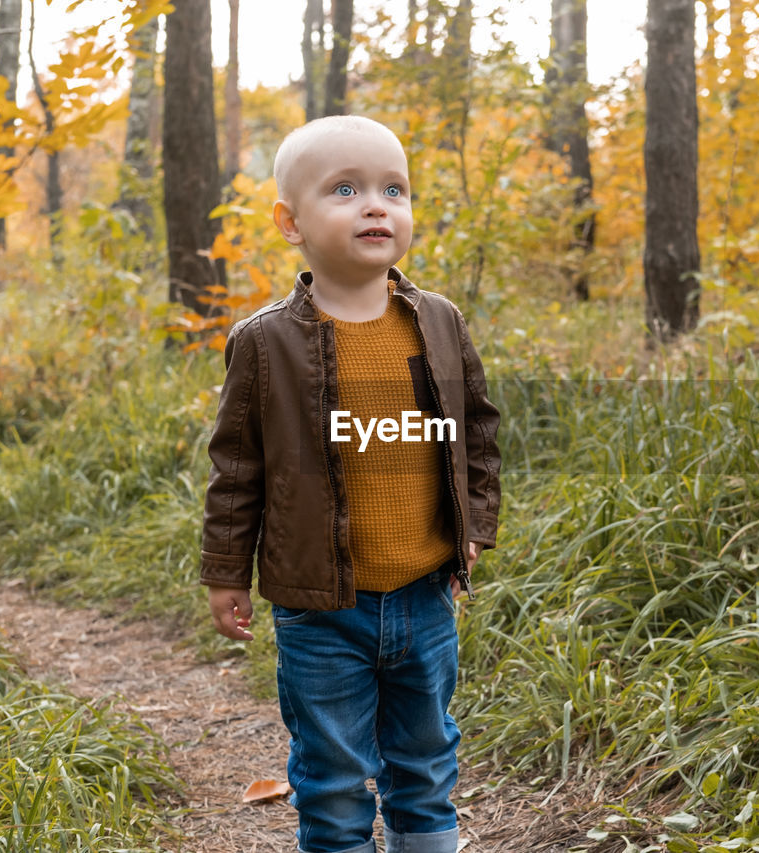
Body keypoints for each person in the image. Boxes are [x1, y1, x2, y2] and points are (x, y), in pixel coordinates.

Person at [199, 115, 501, 853]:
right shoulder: (266, 342)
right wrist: (225, 572)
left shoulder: (437, 321)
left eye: (393, 189)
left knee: (425, 757)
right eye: (346, 189)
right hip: (318, 608)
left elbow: (477, 431)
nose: (376, 205)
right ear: (290, 222)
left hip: (425, 594)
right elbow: (236, 469)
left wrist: (474, 524)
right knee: (332, 772)